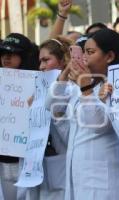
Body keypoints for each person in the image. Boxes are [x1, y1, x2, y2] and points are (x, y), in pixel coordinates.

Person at [45, 28, 119, 200]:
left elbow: (98, 125)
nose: (84, 58)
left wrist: (86, 88)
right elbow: (50, 105)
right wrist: (64, 75)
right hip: (79, 181)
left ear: (109, 56)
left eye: (90, 52)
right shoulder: (82, 86)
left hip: (108, 184)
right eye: (83, 52)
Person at [25, 36, 72, 200]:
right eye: (40, 61)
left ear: (62, 61)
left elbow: (70, 137)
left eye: (46, 60)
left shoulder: (73, 89)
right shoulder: (38, 92)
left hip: (63, 172)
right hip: (39, 171)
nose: (41, 66)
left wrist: (56, 114)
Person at [0, 33, 39, 200]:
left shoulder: (38, 81)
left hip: (26, 158)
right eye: (3, 53)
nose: (6, 58)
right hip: (2, 159)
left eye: (13, 53)